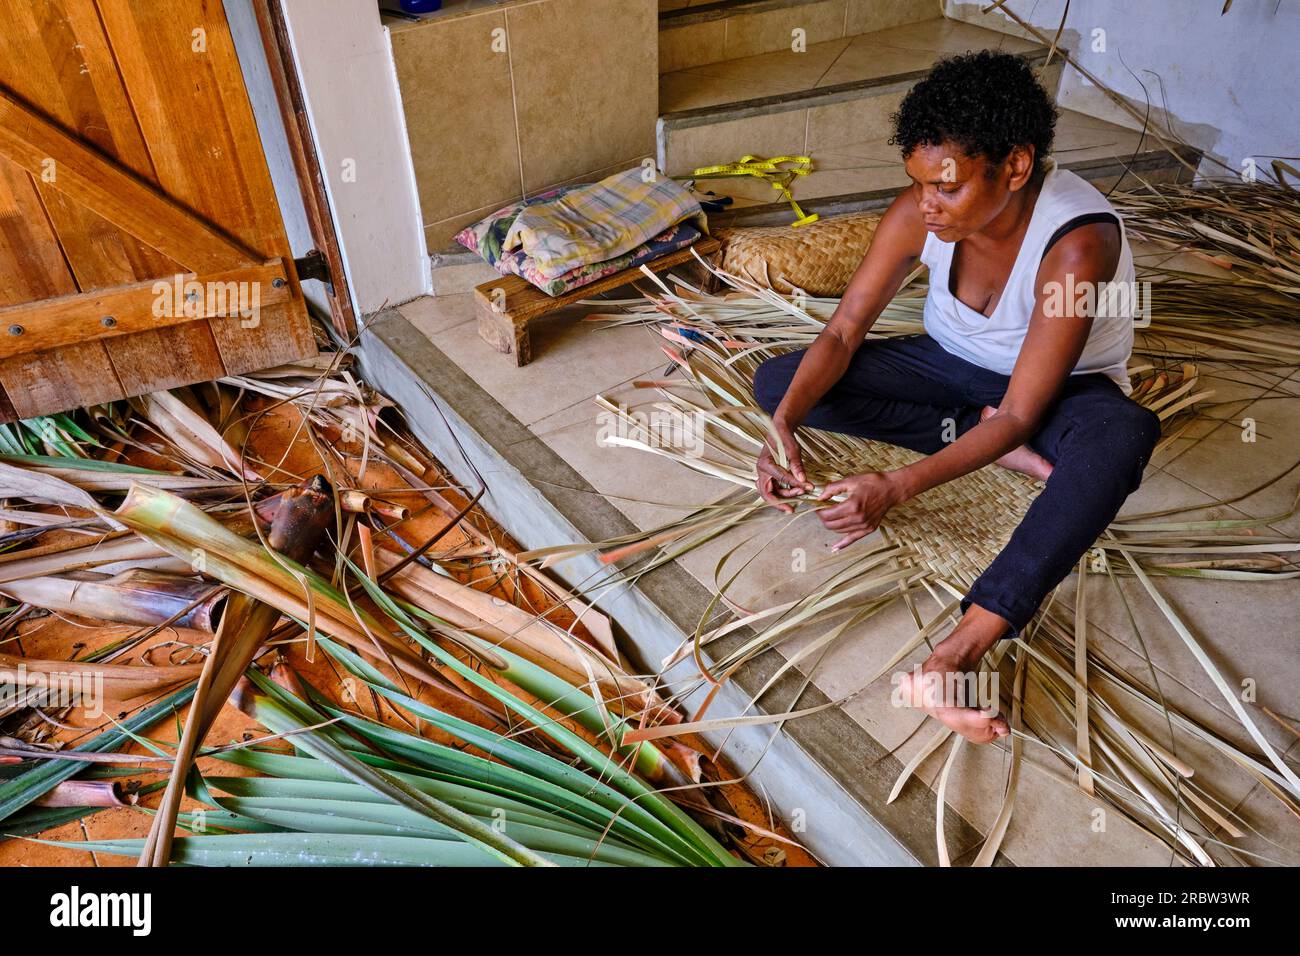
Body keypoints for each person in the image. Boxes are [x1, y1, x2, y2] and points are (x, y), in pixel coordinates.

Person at [751, 50, 1160, 744]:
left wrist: (898, 485)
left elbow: (1027, 411)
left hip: (1060, 392)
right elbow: (846, 330)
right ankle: (972, 429)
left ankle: (960, 649)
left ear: (1017, 166)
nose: (926, 205)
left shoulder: (1077, 243)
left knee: (1118, 441)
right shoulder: (923, 211)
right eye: (916, 184)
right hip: (948, 368)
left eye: (946, 187)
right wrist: (783, 424)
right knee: (776, 381)